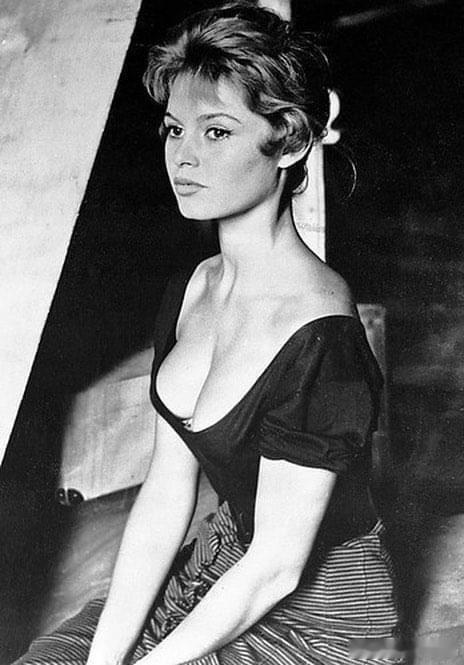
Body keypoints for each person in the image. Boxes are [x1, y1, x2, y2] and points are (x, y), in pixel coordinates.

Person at [15, 3, 403, 664]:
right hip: (217, 567)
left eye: (216, 131)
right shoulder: (193, 287)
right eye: (174, 129)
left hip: (319, 618)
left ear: (290, 142)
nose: (183, 156)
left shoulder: (321, 335)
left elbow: (277, 568)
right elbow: (168, 493)